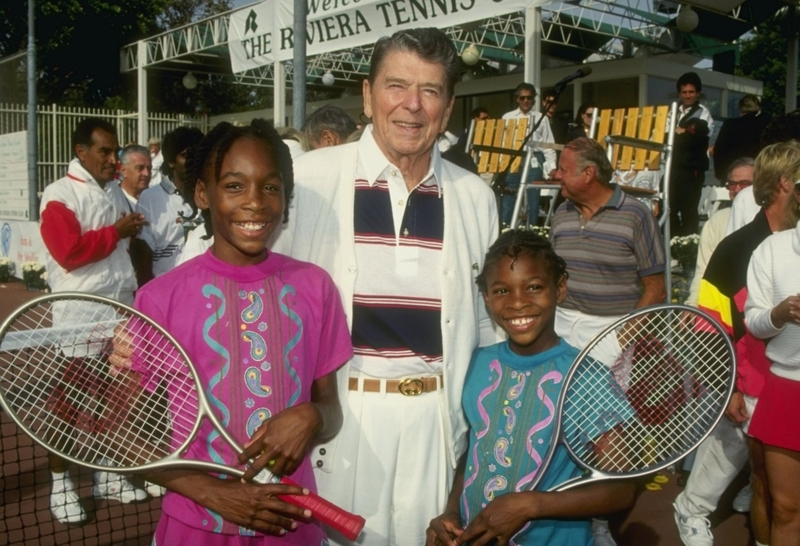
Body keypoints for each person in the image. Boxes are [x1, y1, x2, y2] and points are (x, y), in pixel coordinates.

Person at [270, 27, 499, 546]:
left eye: (431, 91)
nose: (412, 106)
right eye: (396, 86)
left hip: (435, 426)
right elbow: (235, 257)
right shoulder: (307, 178)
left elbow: (486, 328)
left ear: (449, 106)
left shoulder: (476, 197)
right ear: (368, 97)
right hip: (338, 421)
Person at [131, 119, 353, 543]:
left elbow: (331, 412)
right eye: (234, 186)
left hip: (291, 526)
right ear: (202, 194)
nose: (255, 202)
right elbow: (127, 434)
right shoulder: (160, 299)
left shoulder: (315, 287)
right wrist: (211, 493)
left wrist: (311, 414)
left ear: (286, 199)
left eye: (271, 187)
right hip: (194, 529)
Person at [425, 230, 636, 546]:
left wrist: (530, 505)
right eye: (501, 291)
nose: (518, 303)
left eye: (534, 287)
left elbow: (620, 490)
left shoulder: (586, 376)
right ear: (485, 297)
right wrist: (451, 513)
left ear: (560, 288)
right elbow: (472, 452)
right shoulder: (477, 364)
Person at [551, 137, 665, 546]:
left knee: (606, 434)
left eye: (562, 169)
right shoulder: (561, 211)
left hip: (614, 330)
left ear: (588, 174)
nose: (555, 175)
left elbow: (656, 287)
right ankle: (558, 509)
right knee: (560, 422)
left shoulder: (635, 214)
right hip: (563, 326)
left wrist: (623, 336)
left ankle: (600, 521)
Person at [687, 141, 800, 546]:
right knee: (768, 488)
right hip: (756, 388)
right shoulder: (737, 249)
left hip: (789, 385)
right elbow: (708, 327)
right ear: (786, 183)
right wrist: (727, 386)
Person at [39, 117, 149, 524]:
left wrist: (130, 233)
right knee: (68, 401)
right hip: (79, 311)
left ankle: (105, 474)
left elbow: (123, 246)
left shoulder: (114, 193)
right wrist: (117, 231)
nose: (112, 160)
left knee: (111, 397)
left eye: (115, 152)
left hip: (118, 307)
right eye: (104, 152)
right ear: (81, 152)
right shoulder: (59, 194)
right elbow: (68, 252)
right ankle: (61, 483)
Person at [672, 158, 755, 545]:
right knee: (732, 431)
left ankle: (758, 486)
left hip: (780, 353)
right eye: (734, 184)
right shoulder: (722, 226)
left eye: (747, 183)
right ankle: (692, 507)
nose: (741, 191)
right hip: (730, 337)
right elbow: (706, 284)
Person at [744, 177, 800, 546]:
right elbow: (754, 321)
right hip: (787, 388)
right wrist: (779, 313)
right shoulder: (773, 249)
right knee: (784, 508)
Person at [135, 127, 204, 285]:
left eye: (198, 155)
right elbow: (144, 258)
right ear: (171, 161)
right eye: (186, 156)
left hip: (205, 289)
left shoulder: (211, 195)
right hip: (166, 289)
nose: (194, 161)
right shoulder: (151, 199)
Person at [500, 82, 557, 227]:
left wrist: (551, 167)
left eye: (529, 98)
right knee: (509, 195)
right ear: (517, 99)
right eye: (523, 98)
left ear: (533, 99)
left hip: (534, 158)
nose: (526, 101)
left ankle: (532, 231)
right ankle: (505, 230)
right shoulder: (507, 117)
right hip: (513, 158)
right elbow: (501, 143)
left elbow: (548, 144)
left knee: (533, 198)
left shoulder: (541, 118)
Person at [669, 71, 715, 236]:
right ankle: (673, 243)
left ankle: (688, 248)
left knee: (689, 210)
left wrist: (683, 134)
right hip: (673, 168)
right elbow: (663, 135)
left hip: (692, 169)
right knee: (670, 207)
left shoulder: (703, 113)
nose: (688, 96)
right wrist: (682, 132)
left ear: (697, 93)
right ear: (679, 93)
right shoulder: (673, 112)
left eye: (691, 92)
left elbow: (695, 139)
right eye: (684, 92)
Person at [712, 95, 770, 183]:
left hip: (733, 174)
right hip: (759, 175)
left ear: (741, 110)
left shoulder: (730, 125)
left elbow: (719, 150)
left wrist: (720, 174)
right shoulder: (766, 125)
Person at [117, 144, 153, 210]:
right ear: (123, 171)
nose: (146, 174)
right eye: (140, 168)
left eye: (149, 168)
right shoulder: (114, 201)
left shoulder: (156, 200)